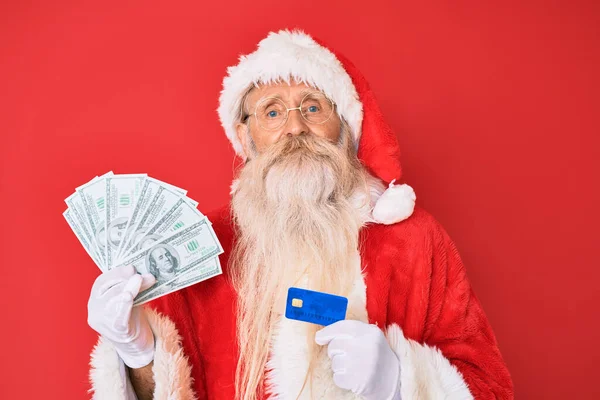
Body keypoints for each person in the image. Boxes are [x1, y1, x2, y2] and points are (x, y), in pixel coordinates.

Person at [86, 29, 514, 400]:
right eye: (272, 112)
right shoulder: (204, 247)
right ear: (244, 135)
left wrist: (401, 382)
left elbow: (490, 387)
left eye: (312, 107)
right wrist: (136, 352)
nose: (295, 128)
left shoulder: (415, 241)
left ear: (346, 127)